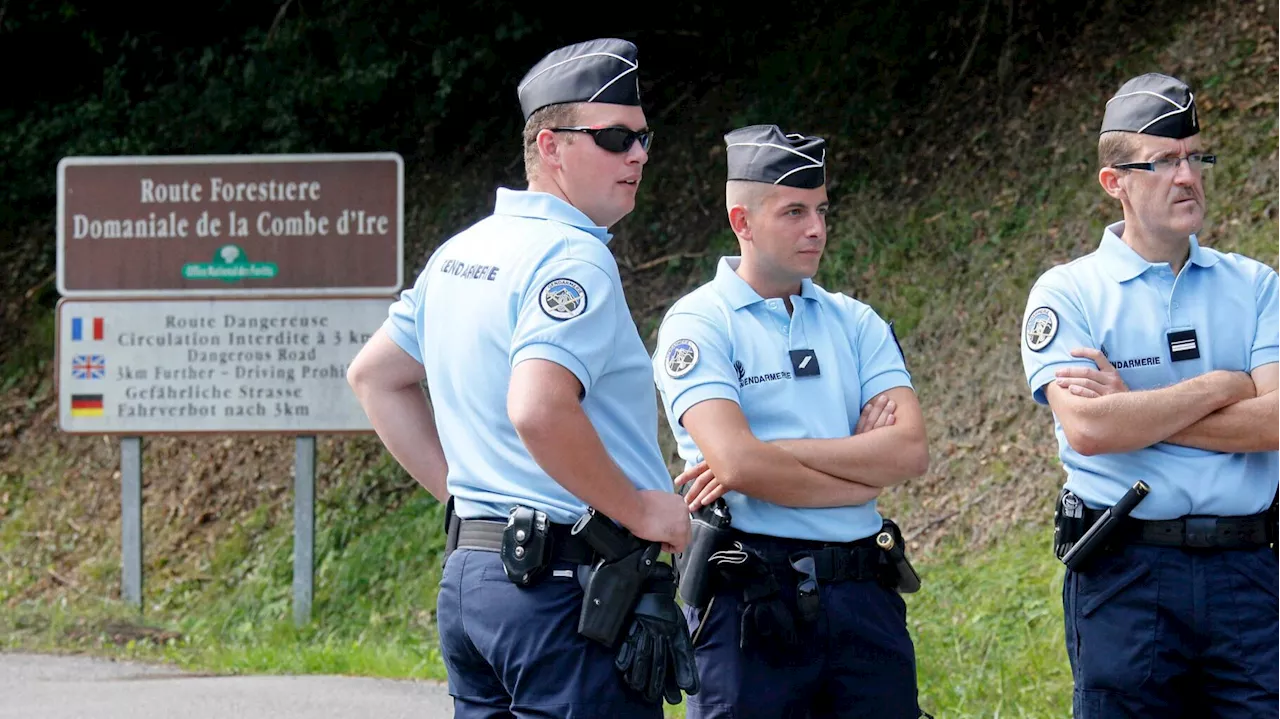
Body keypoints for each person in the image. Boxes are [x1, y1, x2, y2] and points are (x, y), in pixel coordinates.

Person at [346, 37, 696, 718]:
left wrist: (469, 495)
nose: (639, 154)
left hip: (477, 579)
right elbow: (538, 408)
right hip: (565, 589)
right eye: (615, 136)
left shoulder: (462, 251)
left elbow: (375, 377)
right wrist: (641, 508)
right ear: (552, 145)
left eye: (643, 136)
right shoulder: (574, 258)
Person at [1020, 72, 1280, 717]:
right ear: (1116, 183)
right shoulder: (1068, 293)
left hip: (1246, 573)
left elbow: (1275, 421)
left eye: (1195, 156)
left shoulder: (1256, 286)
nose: (1187, 175)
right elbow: (1089, 430)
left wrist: (1135, 406)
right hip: (1126, 577)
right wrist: (1224, 386)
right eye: (1164, 160)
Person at [652, 124, 932, 719]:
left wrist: (767, 454)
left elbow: (908, 452)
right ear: (742, 221)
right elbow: (734, 463)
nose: (817, 228)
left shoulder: (856, 323)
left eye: (823, 210)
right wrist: (857, 472)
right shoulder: (699, 323)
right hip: (750, 604)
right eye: (795, 211)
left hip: (863, 599)